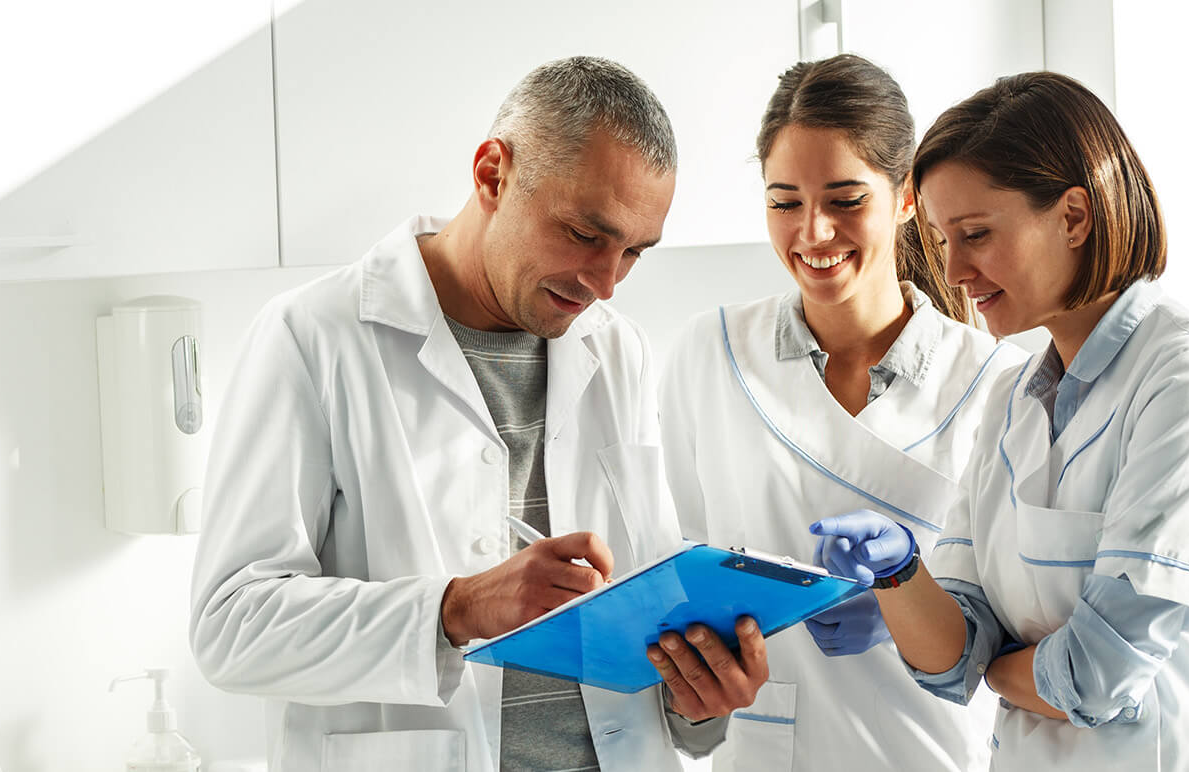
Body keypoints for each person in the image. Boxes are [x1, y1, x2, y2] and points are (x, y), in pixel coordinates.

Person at [189, 56, 765, 772]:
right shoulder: (312, 339)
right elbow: (231, 628)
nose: (607, 284)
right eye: (587, 235)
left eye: (633, 254)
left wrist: (695, 692)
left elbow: (640, 624)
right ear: (493, 174)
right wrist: (455, 607)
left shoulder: (620, 353)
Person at [812, 71, 1189, 770]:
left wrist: (989, 663)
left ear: (1073, 216)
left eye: (975, 233)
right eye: (944, 240)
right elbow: (950, 659)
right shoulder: (1014, 397)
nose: (955, 271)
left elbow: (1096, 677)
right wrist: (898, 577)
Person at [655, 54, 1021, 771]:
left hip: (930, 746)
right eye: (784, 202)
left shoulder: (991, 380)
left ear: (907, 196)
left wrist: (904, 607)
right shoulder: (710, 352)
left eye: (846, 199)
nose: (813, 233)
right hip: (758, 749)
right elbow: (672, 573)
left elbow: (1023, 614)